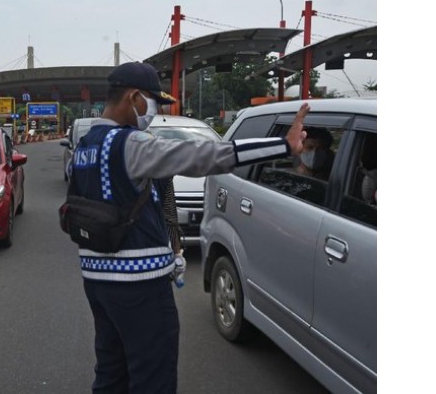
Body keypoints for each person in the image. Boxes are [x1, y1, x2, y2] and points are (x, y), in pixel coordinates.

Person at [67, 62, 310, 393]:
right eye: (153, 103)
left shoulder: (86, 145)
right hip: (138, 285)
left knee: (111, 372)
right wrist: (282, 146)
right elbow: (201, 155)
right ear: (135, 97)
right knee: (153, 378)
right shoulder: (130, 144)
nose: (154, 112)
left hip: (97, 280)